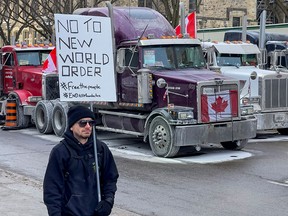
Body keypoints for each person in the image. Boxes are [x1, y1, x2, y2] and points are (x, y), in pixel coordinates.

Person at [43, 105, 119, 216]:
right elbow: (52, 189)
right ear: (71, 126)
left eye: (91, 123)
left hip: (95, 212)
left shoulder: (100, 149)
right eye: (82, 123)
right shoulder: (60, 152)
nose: (88, 126)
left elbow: (110, 178)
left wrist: (108, 201)